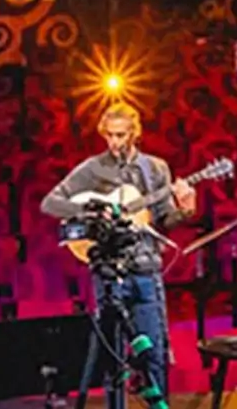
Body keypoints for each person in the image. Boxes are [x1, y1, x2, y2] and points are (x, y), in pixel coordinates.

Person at [37, 104, 198, 392]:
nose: (114, 142)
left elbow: (165, 220)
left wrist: (185, 210)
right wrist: (93, 209)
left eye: (121, 135)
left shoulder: (155, 168)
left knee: (155, 353)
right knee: (112, 357)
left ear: (134, 134)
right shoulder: (93, 168)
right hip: (109, 269)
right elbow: (50, 203)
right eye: (109, 135)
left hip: (146, 266)